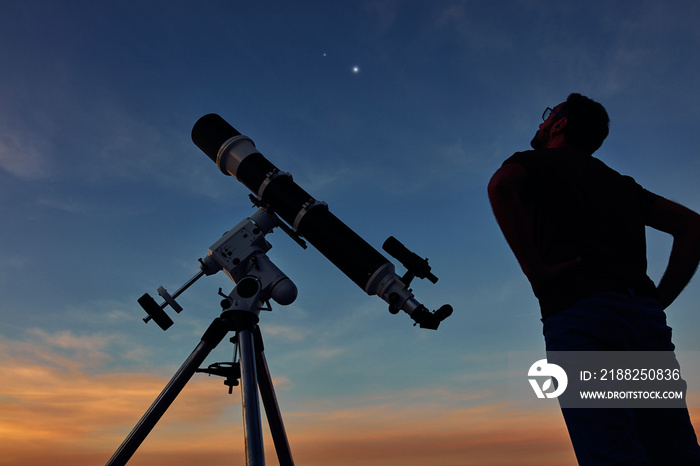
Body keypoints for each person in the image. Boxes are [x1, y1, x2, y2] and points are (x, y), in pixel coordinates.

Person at [487, 93, 700, 465]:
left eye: (547, 115)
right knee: (673, 450)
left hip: (582, 317)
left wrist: (535, 272)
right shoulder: (621, 185)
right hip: (642, 320)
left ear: (560, 123)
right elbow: (692, 225)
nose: (540, 123)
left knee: (611, 453)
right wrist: (659, 298)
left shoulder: (533, 164)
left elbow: (501, 186)